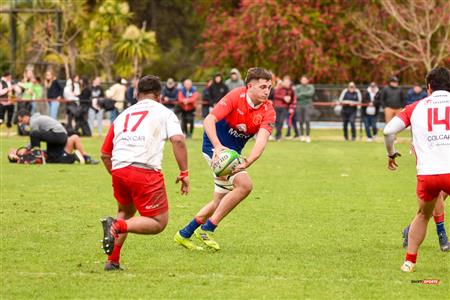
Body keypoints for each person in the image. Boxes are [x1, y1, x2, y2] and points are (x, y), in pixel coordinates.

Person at [174, 67, 276, 251]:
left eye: (269, 87)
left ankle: (184, 234)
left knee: (219, 202)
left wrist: (249, 160)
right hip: (215, 149)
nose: (266, 91)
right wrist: (218, 146)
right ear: (249, 86)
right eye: (262, 87)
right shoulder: (236, 96)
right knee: (245, 185)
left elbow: (261, 140)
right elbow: (208, 120)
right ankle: (207, 229)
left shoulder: (268, 110)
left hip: (233, 155)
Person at [99, 75, 189, 271]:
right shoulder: (164, 112)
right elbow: (179, 141)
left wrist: (119, 175)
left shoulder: (122, 114)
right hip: (145, 170)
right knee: (158, 222)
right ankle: (117, 227)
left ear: (136, 94)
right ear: (159, 96)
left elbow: (105, 154)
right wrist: (184, 172)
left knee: (126, 211)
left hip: (119, 169)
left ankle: (112, 261)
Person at [383, 66, 450, 272]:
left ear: (429, 88)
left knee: (422, 215)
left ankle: (409, 261)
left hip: (428, 174)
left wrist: (391, 154)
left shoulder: (416, 107)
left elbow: (387, 131)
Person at [17, 110, 97, 164]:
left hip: (58, 135)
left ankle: (36, 155)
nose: (22, 123)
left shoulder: (34, 122)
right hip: (59, 136)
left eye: (21, 120)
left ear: (26, 117)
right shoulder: (37, 118)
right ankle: (81, 157)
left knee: (34, 134)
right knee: (52, 158)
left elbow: (34, 137)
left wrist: (26, 149)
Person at [8, 133, 98, 164]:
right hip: (55, 154)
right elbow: (11, 154)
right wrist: (15, 155)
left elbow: (11, 151)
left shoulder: (25, 154)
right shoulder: (23, 156)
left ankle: (85, 157)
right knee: (74, 138)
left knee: (74, 137)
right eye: (14, 152)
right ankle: (86, 158)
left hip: (54, 152)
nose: (13, 149)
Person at [273, 75, 295, 141]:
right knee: (277, 121)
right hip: (277, 106)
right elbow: (275, 95)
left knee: (281, 121)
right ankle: (278, 135)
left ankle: (277, 135)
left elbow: (292, 98)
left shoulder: (291, 90)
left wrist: (289, 101)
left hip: (285, 107)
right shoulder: (279, 88)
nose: (287, 83)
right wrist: (283, 98)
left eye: (288, 82)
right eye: (285, 82)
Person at [294, 75, 315, 142]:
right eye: (302, 80)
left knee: (307, 120)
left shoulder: (311, 87)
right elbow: (296, 95)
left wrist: (301, 94)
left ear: (307, 81)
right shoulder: (297, 87)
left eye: (305, 80)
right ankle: (302, 136)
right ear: (300, 81)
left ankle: (308, 136)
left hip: (308, 105)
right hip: (299, 105)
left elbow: (310, 94)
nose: (304, 81)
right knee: (300, 121)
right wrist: (305, 95)